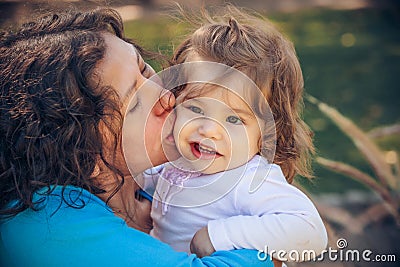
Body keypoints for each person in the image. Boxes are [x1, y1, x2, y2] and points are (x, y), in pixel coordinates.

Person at [0, 7, 274, 266]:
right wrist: (267, 245)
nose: (168, 96)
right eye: (136, 103)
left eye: (144, 69)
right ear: (83, 147)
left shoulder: (159, 182)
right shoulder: (43, 220)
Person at [141, 6, 327, 264]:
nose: (208, 130)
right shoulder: (175, 159)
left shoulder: (248, 179)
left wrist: (219, 235)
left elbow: (312, 232)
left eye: (233, 119)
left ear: (266, 135)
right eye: (195, 108)